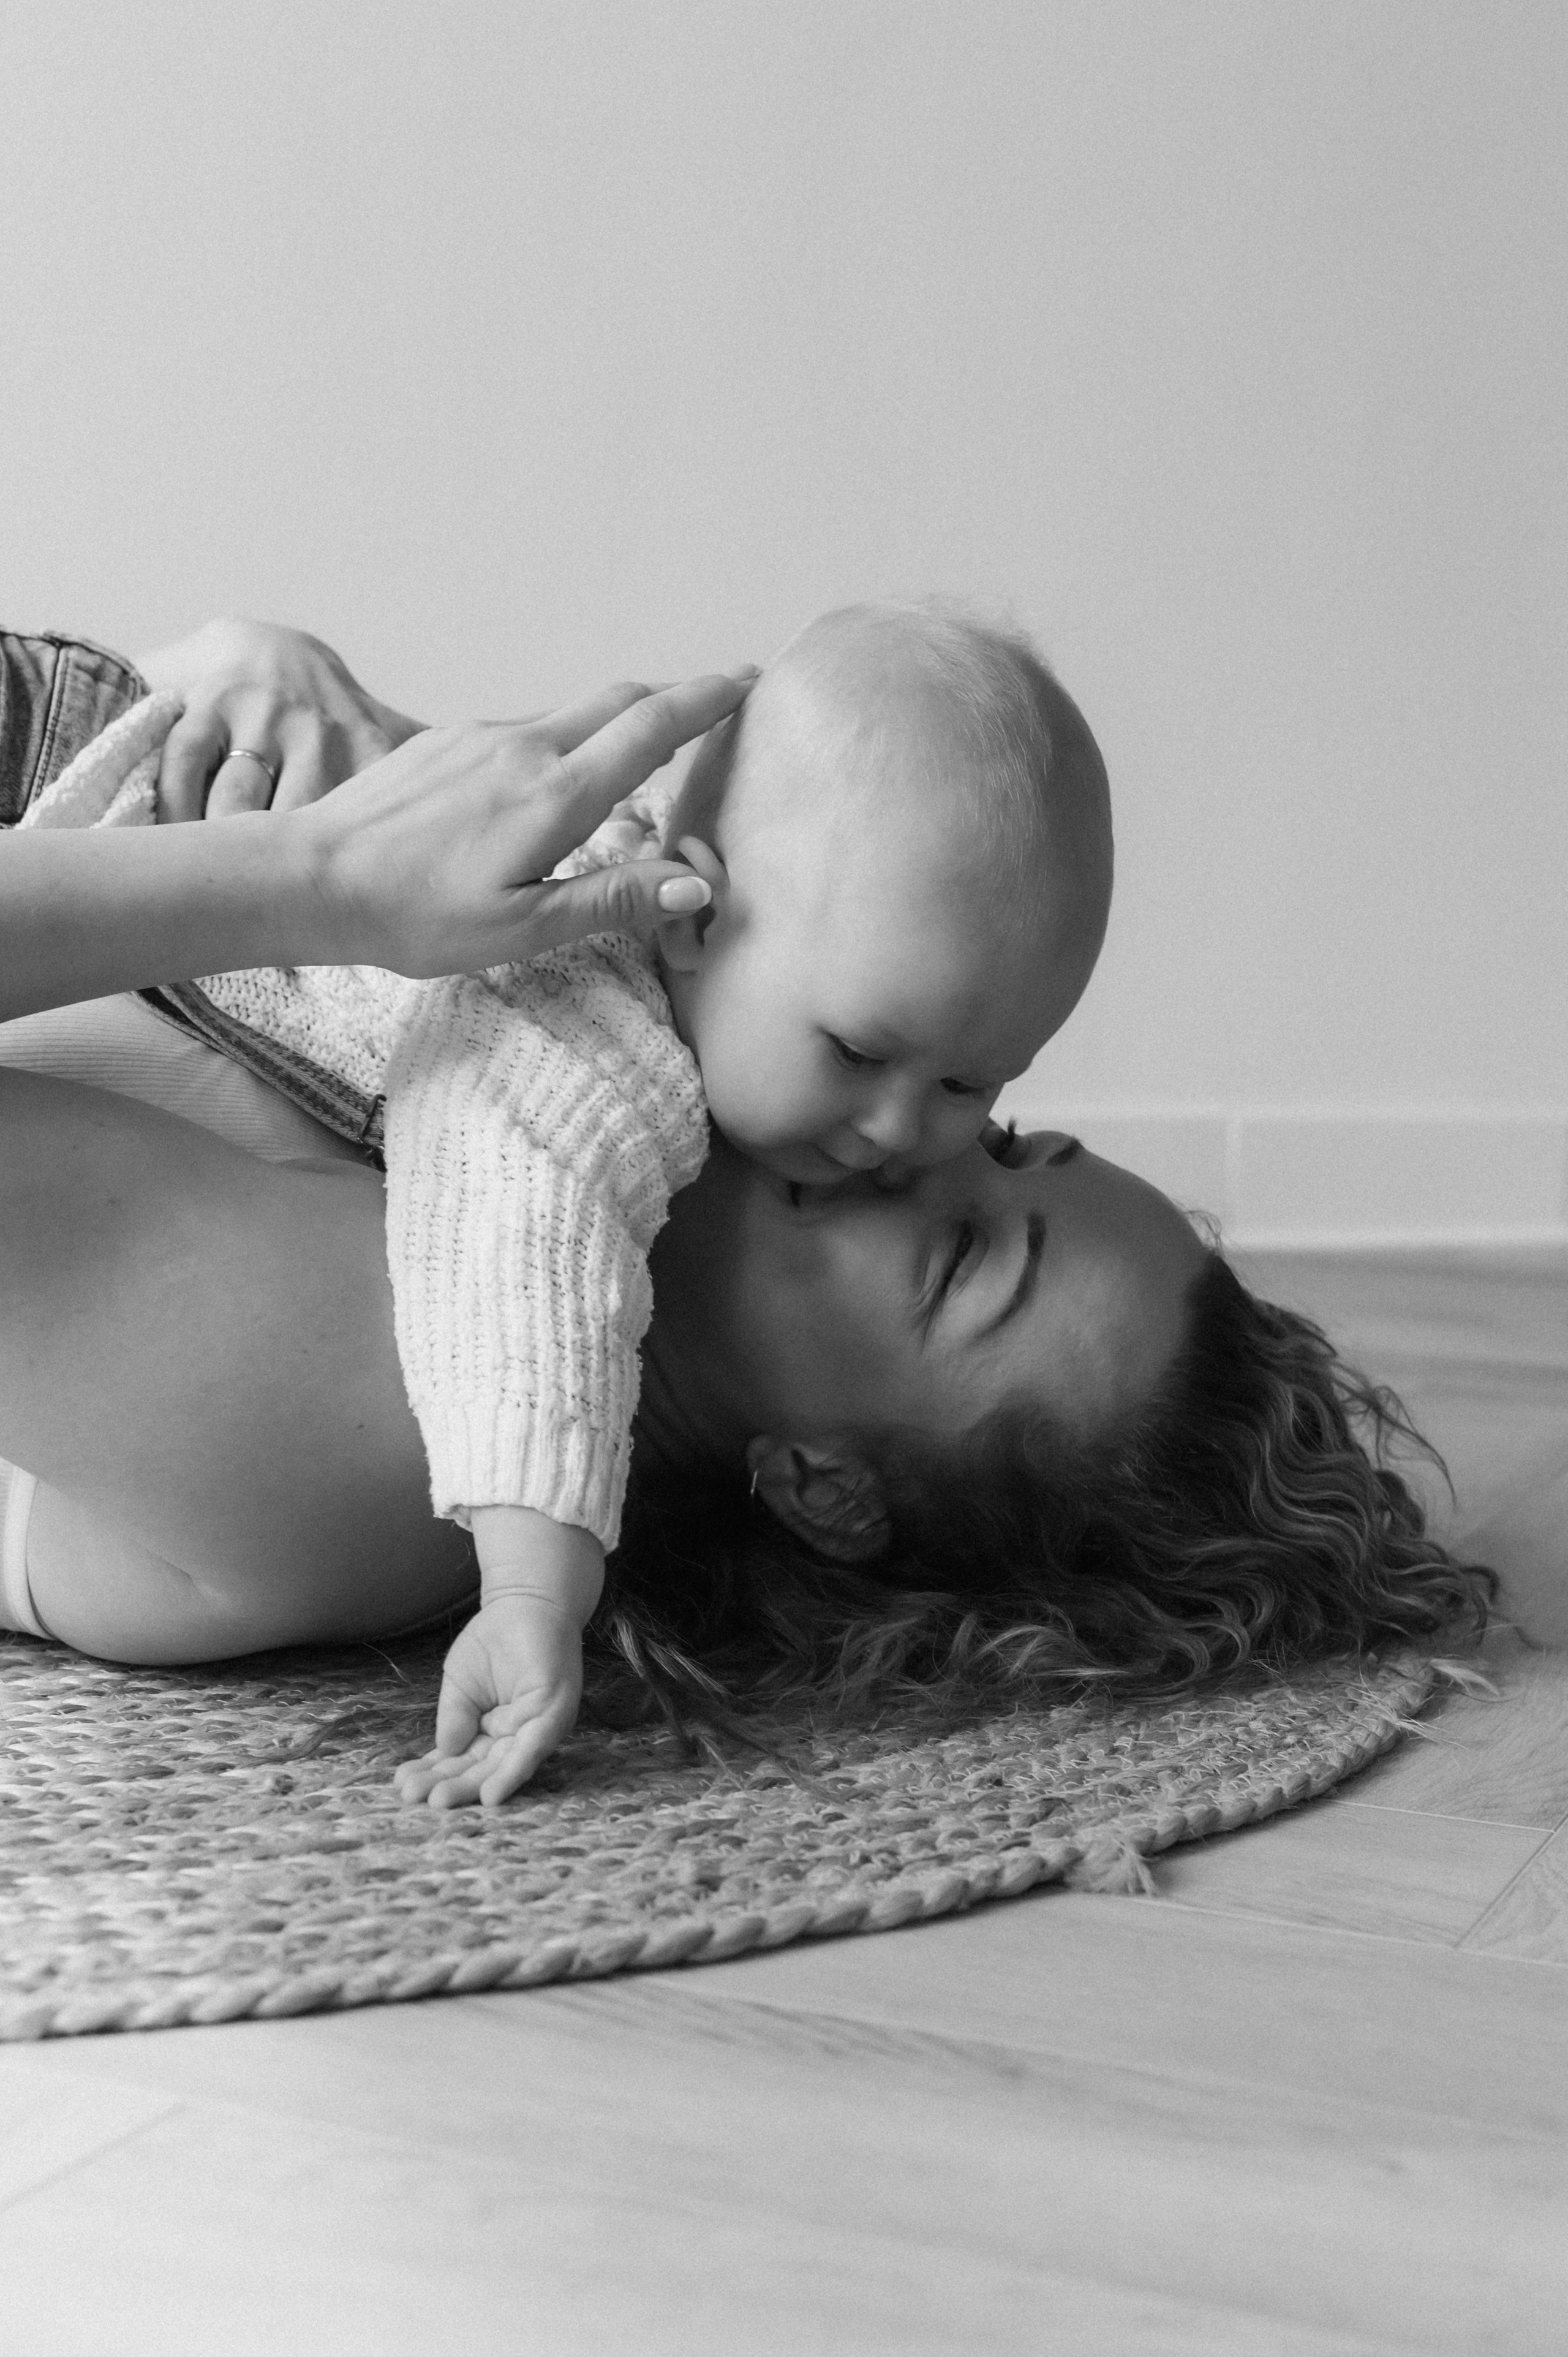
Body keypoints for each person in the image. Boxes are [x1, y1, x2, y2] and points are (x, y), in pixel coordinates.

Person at [0, 624, 1492, 1810]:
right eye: (1010, 1143)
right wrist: (228, 692)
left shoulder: (382, 1409)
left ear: (820, 1486)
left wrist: (301, 879)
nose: (916, 1144)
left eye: (957, 1255)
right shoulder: (542, 1065)